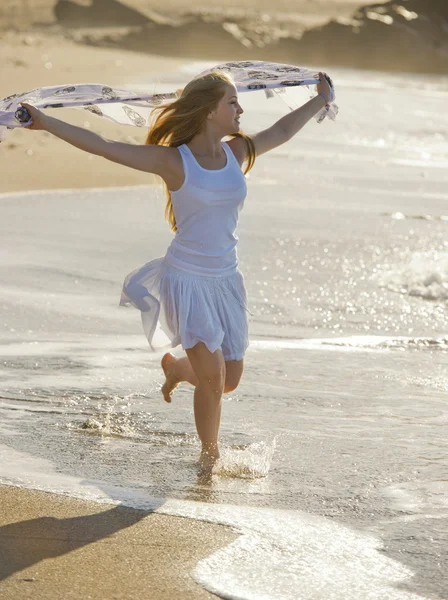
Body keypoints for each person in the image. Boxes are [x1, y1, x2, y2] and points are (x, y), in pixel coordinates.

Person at [20, 69, 332, 474]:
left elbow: (283, 129)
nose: (240, 109)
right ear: (208, 112)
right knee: (214, 378)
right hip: (187, 279)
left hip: (227, 280)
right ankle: (210, 460)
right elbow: (103, 146)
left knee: (229, 377)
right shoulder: (174, 161)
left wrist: (319, 99)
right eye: (232, 103)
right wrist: (44, 122)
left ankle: (177, 368)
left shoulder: (236, 153)